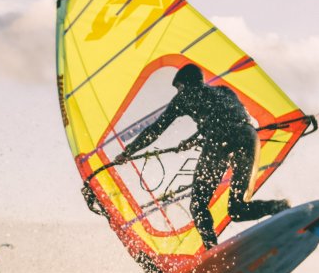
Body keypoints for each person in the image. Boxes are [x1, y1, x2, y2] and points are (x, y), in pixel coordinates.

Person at [116, 63, 292, 247]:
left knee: (198, 205)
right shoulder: (224, 91)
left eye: (178, 88)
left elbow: (155, 129)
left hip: (219, 140)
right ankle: (278, 207)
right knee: (237, 209)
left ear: (184, 84)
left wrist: (128, 151)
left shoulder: (184, 97)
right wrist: (195, 138)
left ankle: (211, 248)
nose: (177, 92)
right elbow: (226, 117)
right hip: (248, 136)